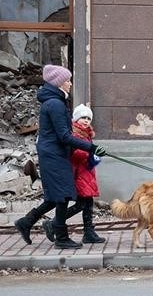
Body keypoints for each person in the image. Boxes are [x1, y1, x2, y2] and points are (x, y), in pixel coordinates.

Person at [14, 64, 106, 249]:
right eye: (67, 80)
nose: (70, 84)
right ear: (58, 83)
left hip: (55, 153)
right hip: (54, 154)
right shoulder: (55, 103)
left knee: (57, 196)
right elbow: (64, 135)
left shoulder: (55, 101)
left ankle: (26, 222)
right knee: (63, 196)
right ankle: (61, 237)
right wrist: (91, 147)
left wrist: (90, 149)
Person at [42, 104, 106, 244]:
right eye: (83, 117)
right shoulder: (74, 134)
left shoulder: (87, 135)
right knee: (81, 204)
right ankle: (54, 224)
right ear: (76, 118)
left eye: (88, 118)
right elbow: (76, 154)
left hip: (86, 174)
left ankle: (88, 232)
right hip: (77, 175)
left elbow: (89, 160)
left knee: (87, 204)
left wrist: (96, 157)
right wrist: (92, 153)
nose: (86, 121)